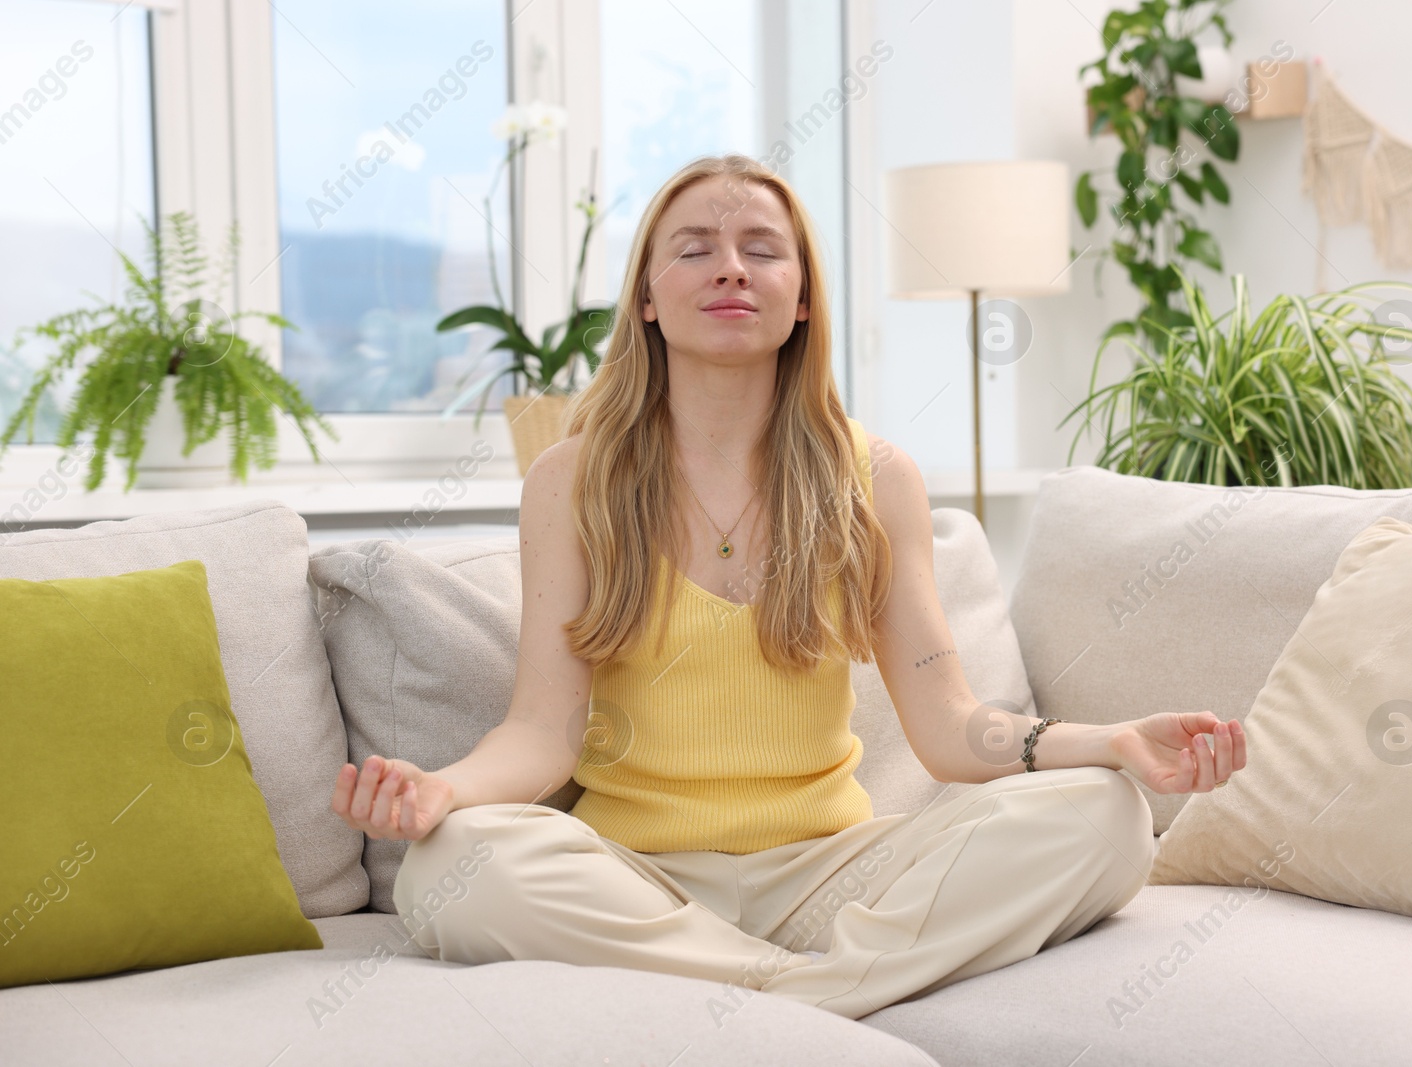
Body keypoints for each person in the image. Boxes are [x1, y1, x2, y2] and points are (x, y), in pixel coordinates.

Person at [329, 152, 1247, 1021]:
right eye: (695, 249)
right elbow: (542, 733)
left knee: (1108, 813)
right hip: (637, 874)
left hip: (832, 872)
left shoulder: (876, 476)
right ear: (647, 298)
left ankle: (780, 999)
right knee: (452, 862)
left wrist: (1111, 740)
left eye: (762, 250)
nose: (730, 268)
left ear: (801, 297)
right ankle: (822, 993)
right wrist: (440, 790)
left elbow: (952, 726)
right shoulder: (570, 480)